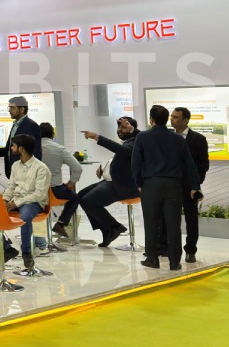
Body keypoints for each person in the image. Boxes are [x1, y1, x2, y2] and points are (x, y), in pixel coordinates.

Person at [131, 105, 200, 271]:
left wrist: (139, 184)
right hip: (173, 185)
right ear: (167, 119)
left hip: (151, 184)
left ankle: (152, 259)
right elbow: (190, 164)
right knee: (174, 224)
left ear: (151, 119)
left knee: (151, 223)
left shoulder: (143, 137)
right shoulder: (178, 139)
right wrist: (195, 186)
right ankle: (175, 262)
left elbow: (135, 164)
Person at [77, 117, 141, 247]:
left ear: (131, 128)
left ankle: (113, 227)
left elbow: (122, 151)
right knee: (80, 196)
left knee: (88, 201)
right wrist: (104, 171)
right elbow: (120, 161)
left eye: (123, 127)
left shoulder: (135, 142)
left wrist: (97, 137)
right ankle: (107, 230)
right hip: (112, 181)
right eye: (119, 127)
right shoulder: (126, 142)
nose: (120, 130)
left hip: (124, 186)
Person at [2, 133, 52, 274]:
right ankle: (7, 248)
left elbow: (39, 194)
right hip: (16, 201)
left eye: (13, 146)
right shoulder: (15, 166)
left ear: (21, 149)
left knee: (25, 217)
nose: (11, 148)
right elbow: (11, 186)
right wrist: (4, 200)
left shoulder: (41, 168)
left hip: (33, 202)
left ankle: (26, 253)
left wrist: (16, 203)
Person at [167, 107, 210, 263]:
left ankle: (190, 250)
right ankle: (170, 249)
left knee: (191, 220)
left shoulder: (197, 139)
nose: (172, 119)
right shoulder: (168, 137)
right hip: (170, 185)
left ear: (185, 120)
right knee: (170, 218)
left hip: (189, 187)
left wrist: (196, 185)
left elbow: (203, 165)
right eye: (171, 116)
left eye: (176, 117)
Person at [42, 123, 84, 239]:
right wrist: (71, 182)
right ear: (52, 134)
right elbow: (78, 168)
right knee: (75, 198)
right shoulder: (59, 149)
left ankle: (36, 238)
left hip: (36, 192)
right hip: (55, 191)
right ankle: (60, 224)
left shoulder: (32, 149)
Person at [2, 96, 42, 177]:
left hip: (25, 172)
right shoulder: (15, 125)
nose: (9, 110)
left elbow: (36, 151)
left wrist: (32, 172)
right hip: (13, 170)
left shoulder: (31, 125)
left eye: (12, 108)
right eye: (9, 108)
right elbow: (10, 148)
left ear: (22, 109)